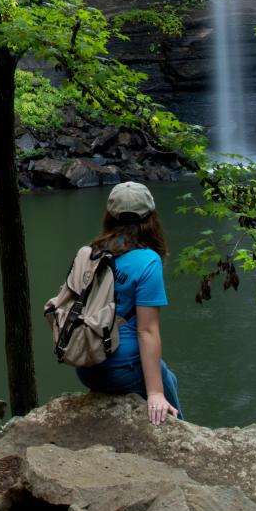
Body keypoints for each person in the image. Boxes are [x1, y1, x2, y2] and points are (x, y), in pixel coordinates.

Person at [75, 181, 185, 425]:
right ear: (151, 217)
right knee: (165, 387)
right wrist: (155, 393)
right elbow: (146, 330)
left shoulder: (92, 251)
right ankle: (186, 438)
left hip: (86, 365)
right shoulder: (148, 261)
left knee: (170, 378)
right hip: (119, 369)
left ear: (110, 215)